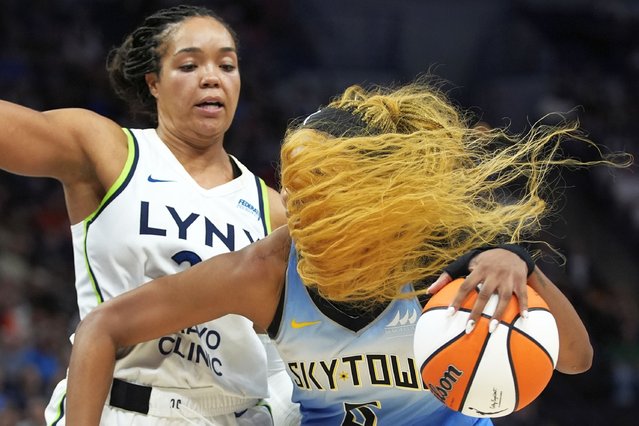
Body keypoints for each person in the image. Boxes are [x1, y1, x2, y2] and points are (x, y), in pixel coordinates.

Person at [65, 78, 628, 425]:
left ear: (373, 208)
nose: (297, 214)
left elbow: (575, 358)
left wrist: (521, 263)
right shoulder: (264, 272)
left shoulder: (446, 256)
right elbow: (102, 329)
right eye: (296, 194)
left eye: (321, 202)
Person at [0, 4, 297, 425]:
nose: (212, 76)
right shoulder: (111, 152)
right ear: (154, 82)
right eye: (190, 64)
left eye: (226, 65)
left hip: (231, 413)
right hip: (117, 405)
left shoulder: (273, 209)